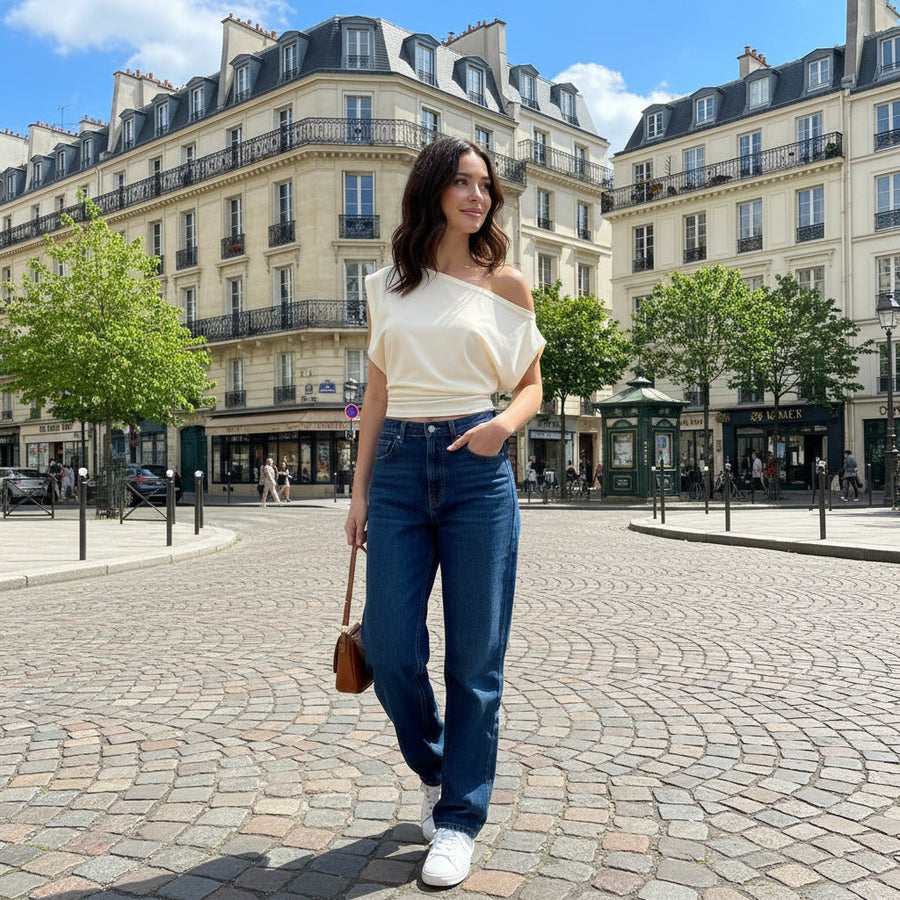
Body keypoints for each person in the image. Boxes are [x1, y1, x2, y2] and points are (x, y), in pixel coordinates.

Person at [344, 137, 544, 888]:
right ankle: (433, 770)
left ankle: (459, 819)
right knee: (392, 647)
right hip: (397, 468)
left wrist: (501, 428)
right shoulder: (386, 286)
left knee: (475, 662)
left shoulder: (506, 283)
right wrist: (358, 492)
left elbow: (530, 386)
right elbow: (377, 395)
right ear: (431, 189)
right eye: (461, 182)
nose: (476, 195)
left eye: (484, 185)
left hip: (476, 467)